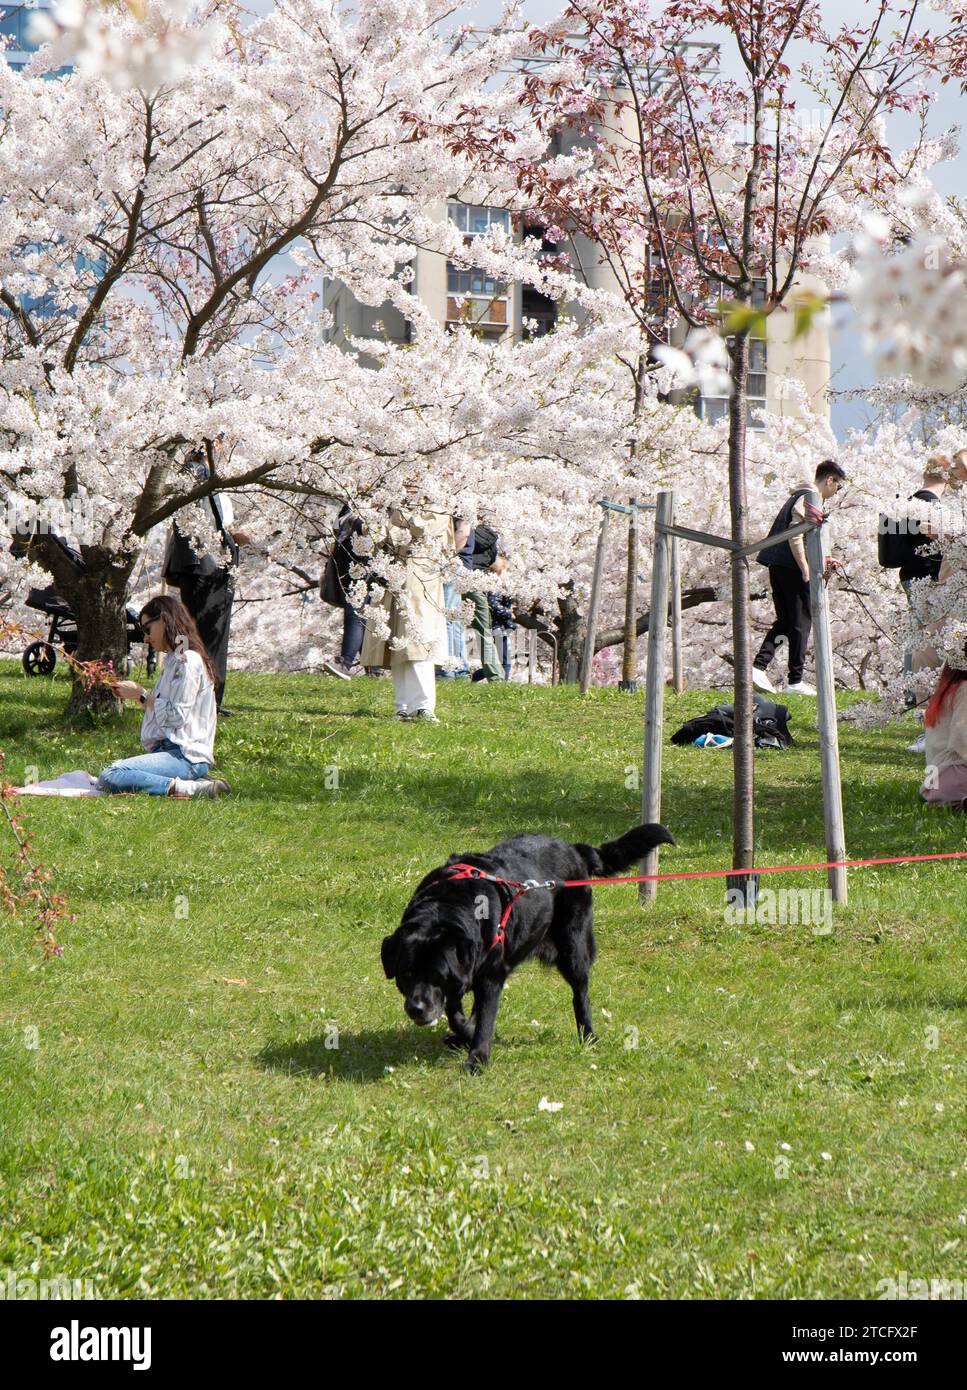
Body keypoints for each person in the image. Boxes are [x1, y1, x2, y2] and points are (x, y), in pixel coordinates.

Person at [98, 595, 230, 798]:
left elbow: (176, 716)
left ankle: (189, 788)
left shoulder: (187, 661)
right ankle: (197, 783)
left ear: (164, 620)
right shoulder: (174, 661)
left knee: (111, 775)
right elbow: (166, 710)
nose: (145, 638)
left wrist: (141, 695)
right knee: (116, 772)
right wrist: (138, 696)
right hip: (171, 752)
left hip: (185, 756)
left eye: (147, 629)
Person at [752, 460, 846, 696]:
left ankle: (759, 667)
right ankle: (795, 680)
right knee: (801, 622)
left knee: (786, 621)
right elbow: (795, 534)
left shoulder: (803, 495)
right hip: (791, 567)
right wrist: (805, 566)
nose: (837, 492)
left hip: (780, 564)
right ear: (830, 480)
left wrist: (823, 559)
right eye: (839, 486)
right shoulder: (809, 497)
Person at [163, 446, 246, 715]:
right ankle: (206, 698)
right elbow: (213, 522)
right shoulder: (198, 473)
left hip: (206, 565)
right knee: (207, 634)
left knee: (206, 633)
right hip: (205, 566)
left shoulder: (201, 477)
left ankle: (206, 697)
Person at [360, 507, 453, 722]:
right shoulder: (393, 503)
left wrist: (398, 516)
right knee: (396, 644)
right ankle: (402, 706)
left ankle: (423, 705)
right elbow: (376, 536)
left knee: (418, 644)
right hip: (392, 579)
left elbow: (422, 529)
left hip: (421, 582)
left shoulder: (439, 505)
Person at [323, 507, 372, 680]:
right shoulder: (347, 507)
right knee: (360, 618)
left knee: (355, 616)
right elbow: (337, 540)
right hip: (344, 571)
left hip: (364, 571)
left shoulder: (376, 507)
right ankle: (373, 670)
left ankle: (345, 662)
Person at [920, 658, 967, 808]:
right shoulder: (965, 690)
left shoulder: (947, 690)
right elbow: (961, 738)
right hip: (952, 776)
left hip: (935, 782)